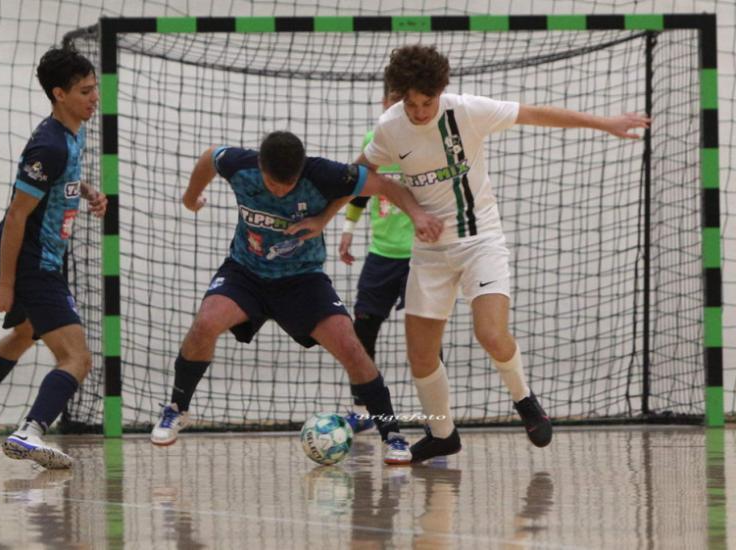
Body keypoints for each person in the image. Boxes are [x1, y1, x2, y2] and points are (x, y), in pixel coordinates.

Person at [358, 44, 650, 463]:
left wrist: (606, 123)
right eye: (411, 103)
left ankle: (525, 399)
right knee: (420, 355)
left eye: (427, 102)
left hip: (481, 241)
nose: (419, 112)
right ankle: (442, 434)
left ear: (441, 91)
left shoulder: (467, 111)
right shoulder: (389, 127)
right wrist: (336, 217)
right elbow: (362, 173)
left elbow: (537, 114)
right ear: (399, 96)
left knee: (490, 333)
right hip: (429, 253)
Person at [149, 131, 442, 465]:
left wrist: (417, 215)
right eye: (273, 184)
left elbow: (385, 185)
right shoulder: (240, 165)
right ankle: (177, 409)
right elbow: (209, 157)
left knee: (351, 347)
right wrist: (190, 198)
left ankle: (392, 434)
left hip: (303, 280)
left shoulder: (324, 174)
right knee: (205, 323)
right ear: (261, 167)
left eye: (288, 185)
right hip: (245, 274)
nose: (280, 191)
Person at [0, 47, 106, 469]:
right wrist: (6, 284)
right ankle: (31, 431)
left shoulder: (73, 131)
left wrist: (87, 191)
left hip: (36, 260)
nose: (95, 98)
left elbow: (60, 181)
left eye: (95, 89)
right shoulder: (49, 146)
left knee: (24, 334)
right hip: (32, 264)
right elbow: (17, 215)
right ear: (59, 94)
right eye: (85, 91)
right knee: (78, 359)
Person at [338, 85, 414, 435]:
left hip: (421, 255)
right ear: (384, 102)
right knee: (363, 328)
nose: (398, 106)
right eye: (393, 99)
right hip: (382, 254)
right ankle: (362, 409)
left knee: (424, 336)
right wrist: (348, 229)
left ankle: (437, 419)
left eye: (404, 100)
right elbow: (360, 188)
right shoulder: (375, 140)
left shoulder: (424, 141)